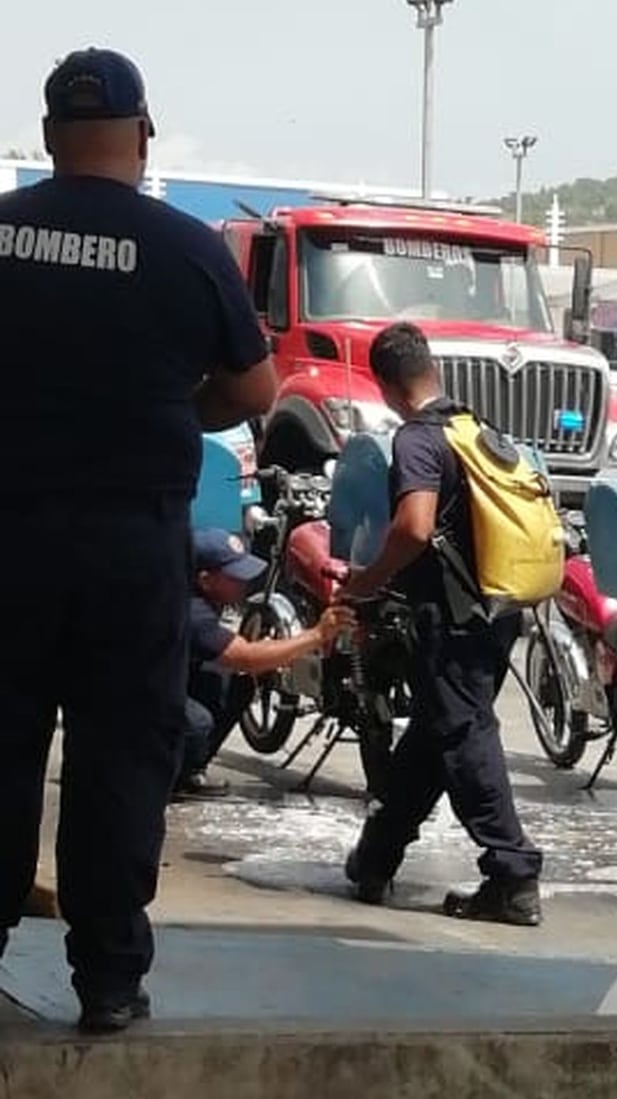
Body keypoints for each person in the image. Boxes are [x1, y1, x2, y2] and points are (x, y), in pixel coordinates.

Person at [0, 48, 278, 1034]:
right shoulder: (187, 248)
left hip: (9, 538)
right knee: (121, 758)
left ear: (46, 139)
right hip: (131, 544)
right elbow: (254, 394)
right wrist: (168, 406)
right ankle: (109, 977)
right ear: (144, 134)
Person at [338, 323, 543, 927]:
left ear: (383, 383)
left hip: (451, 617)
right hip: (497, 608)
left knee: (463, 735)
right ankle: (375, 859)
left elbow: (415, 527)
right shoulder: (476, 429)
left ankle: (513, 875)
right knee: (433, 735)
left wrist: (369, 579)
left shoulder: (419, 441)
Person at [177, 529, 356, 799]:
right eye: (234, 577)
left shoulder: (206, 598)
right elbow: (246, 656)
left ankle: (190, 770)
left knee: (232, 683)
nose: (244, 583)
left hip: (170, 677)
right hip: (129, 695)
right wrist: (317, 635)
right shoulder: (191, 610)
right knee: (196, 723)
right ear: (205, 580)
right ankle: (165, 779)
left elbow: (241, 658)